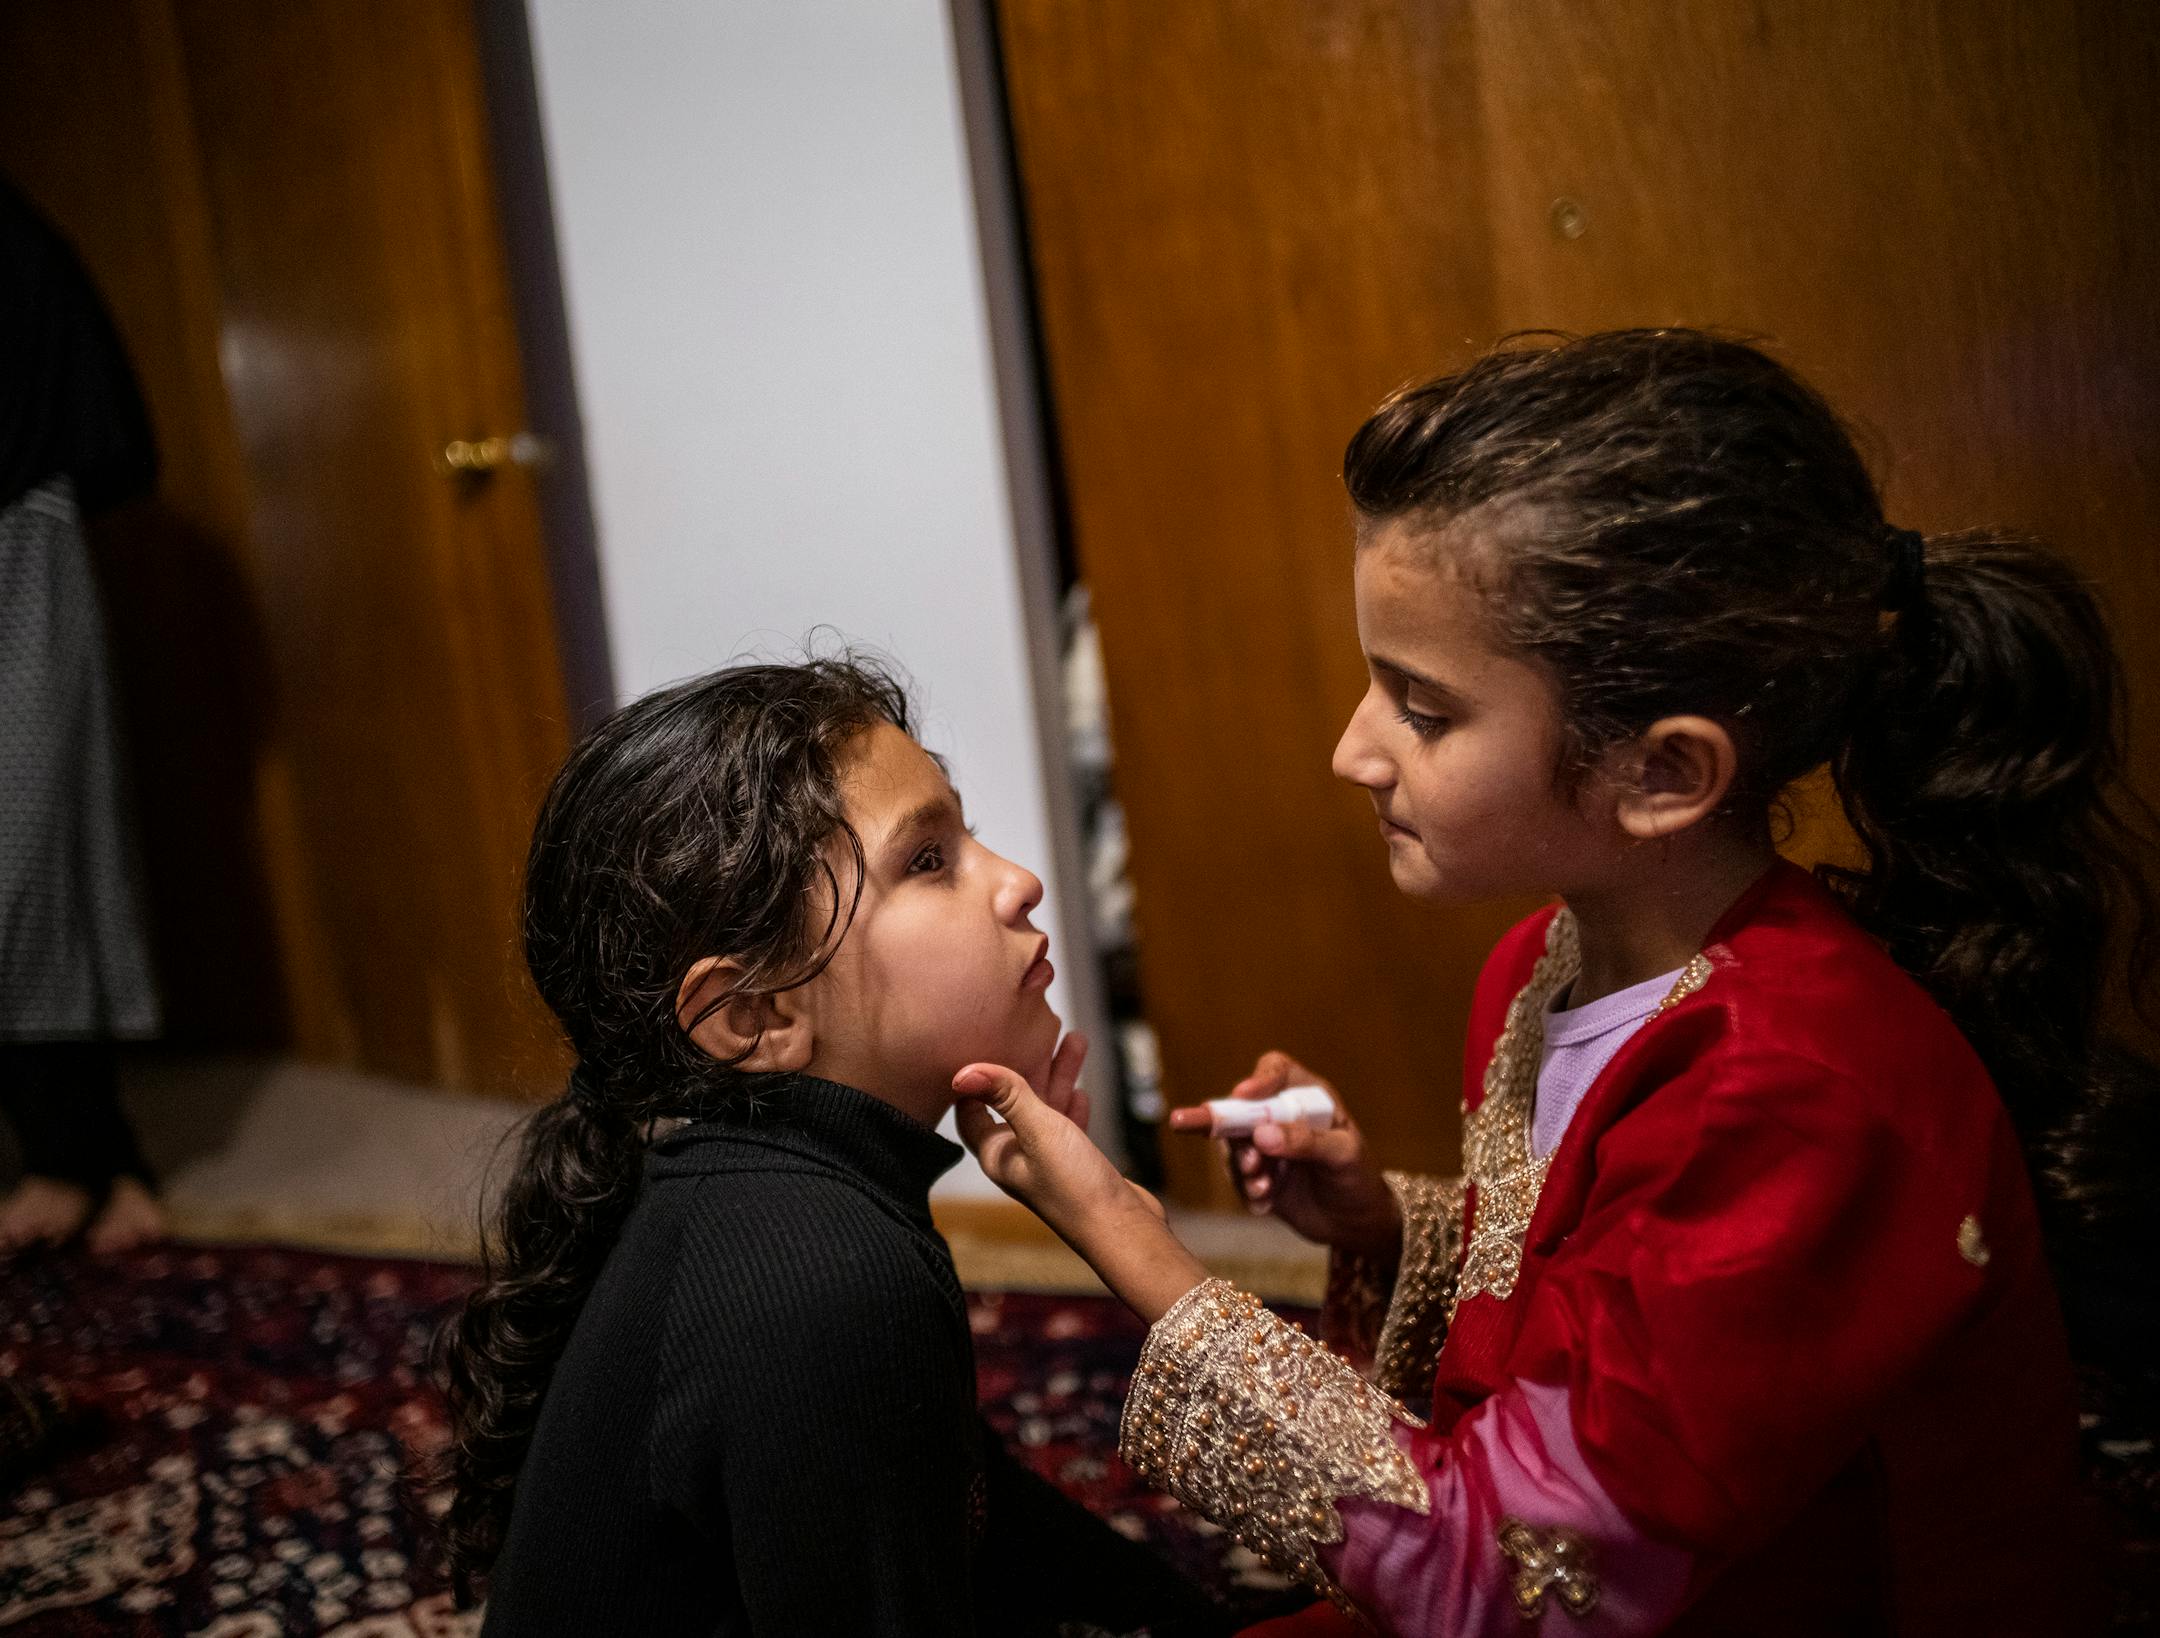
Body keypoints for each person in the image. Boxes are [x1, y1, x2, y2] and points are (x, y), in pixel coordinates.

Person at [954, 330, 2157, 1635]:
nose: (1353, 748)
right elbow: (1601, 1318)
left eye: (1423, 706)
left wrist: (1134, 1241)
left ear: (1661, 773)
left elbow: (1515, 1580)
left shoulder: (1795, 1093)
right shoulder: (1548, 958)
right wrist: (1381, 1226)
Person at [434, 658, 1227, 1636]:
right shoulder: (824, 1272)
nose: (1018, 882)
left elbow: (979, 1514)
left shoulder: (783, 1199)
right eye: (928, 861)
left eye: (964, 834)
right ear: (756, 1014)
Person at [0, 178, 167, 1253]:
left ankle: (94, 1162)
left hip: (16, 535)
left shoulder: (10, 237)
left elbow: (97, 426)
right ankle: (72, 1159)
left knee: (28, 859)